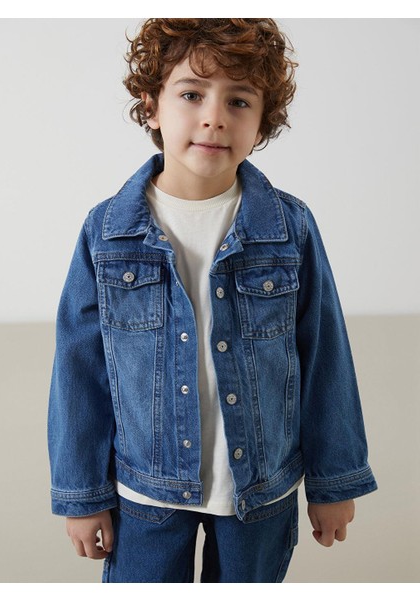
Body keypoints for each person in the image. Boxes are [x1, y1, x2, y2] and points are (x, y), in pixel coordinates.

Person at [48, 18, 377, 583]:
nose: (214, 117)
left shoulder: (289, 228)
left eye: (239, 101)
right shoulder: (106, 232)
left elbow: (325, 356)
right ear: (151, 106)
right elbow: (79, 370)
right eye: (191, 94)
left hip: (260, 491)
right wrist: (81, 494)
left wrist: (334, 482)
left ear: (262, 123)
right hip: (145, 494)